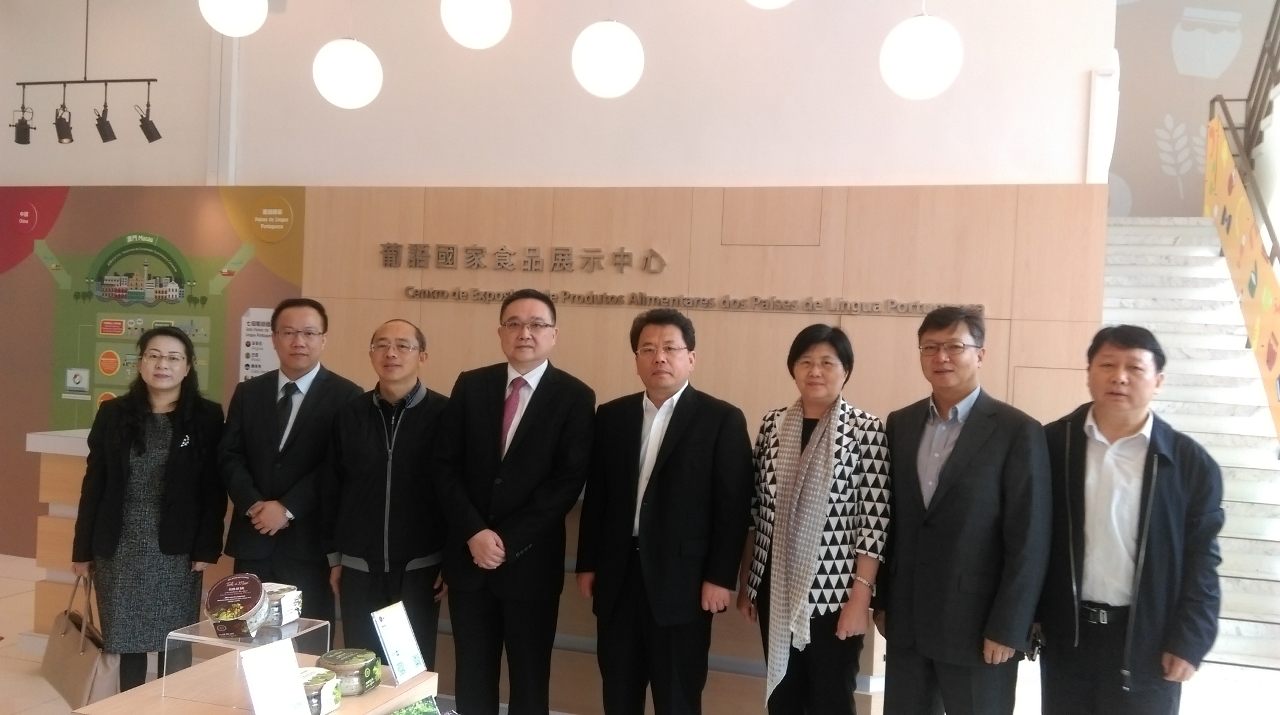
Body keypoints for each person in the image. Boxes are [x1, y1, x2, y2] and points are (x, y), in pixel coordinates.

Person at [1037, 326, 1224, 715]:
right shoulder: (1051, 446)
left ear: (1158, 381)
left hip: (1148, 639)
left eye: (1134, 368)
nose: (1119, 376)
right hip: (1068, 636)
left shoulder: (1189, 463)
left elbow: (1202, 560)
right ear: (1089, 372)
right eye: (1107, 364)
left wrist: (1189, 639)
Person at [874, 306, 1051, 715]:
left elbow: (1030, 539)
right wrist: (883, 601)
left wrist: (1009, 626)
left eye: (955, 346)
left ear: (980, 354)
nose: (941, 357)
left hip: (979, 631)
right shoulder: (899, 424)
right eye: (930, 347)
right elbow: (889, 522)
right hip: (908, 625)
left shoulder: (1016, 430)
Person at [576, 309, 753, 715]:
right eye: (648, 349)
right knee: (619, 692)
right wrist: (587, 563)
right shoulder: (612, 416)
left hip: (685, 584)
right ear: (636, 359)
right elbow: (599, 496)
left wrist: (720, 576)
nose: (659, 357)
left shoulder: (721, 419)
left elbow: (733, 506)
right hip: (619, 577)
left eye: (670, 348)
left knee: (677, 697)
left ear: (691, 358)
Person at [433, 288, 595, 715]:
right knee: (471, 674)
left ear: (554, 334)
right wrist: (474, 532)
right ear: (500, 332)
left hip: (531, 566)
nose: (525, 332)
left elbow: (566, 483)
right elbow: (444, 468)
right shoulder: (471, 385)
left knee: (529, 679)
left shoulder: (576, 396)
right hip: (469, 563)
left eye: (537, 324)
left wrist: (503, 539)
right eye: (515, 324)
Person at [735, 324, 891, 715]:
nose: (815, 371)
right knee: (784, 696)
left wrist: (861, 598)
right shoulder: (773, 425)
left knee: (831, 698)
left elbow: (873, 523)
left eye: (826, 362)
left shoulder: (866, 431)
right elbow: (756, 511)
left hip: (834, 594)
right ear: (793, 369)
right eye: (805, 362)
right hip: (775, 586)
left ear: (846, 370)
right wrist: (747, 582)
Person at [71, 326, 225, 691]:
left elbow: (213, 488)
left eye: (174, 358)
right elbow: (94, 484)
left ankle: (174, 703)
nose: (163, 365)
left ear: (187, 368)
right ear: (140, 363)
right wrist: (82, 550)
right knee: (125, 641)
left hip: (176, 548)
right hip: (118, 546)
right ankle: (130, 704)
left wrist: (205, 547)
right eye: (154, 356)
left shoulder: (205, 416)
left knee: (175, 637)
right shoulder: (113, 413)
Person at [219, 298, 363, 623]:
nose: (299, 341)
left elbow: (335, 466)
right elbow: (229, 454)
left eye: (309, 333)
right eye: (289, 332)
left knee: (305, 643)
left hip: (309, 546)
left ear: (323, 339)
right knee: (248, 639)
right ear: (274, 338)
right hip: (254, 539)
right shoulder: (249, 392)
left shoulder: (348, 396)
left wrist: (287, 507)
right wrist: (254, 504)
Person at [325, 319, 449, 667]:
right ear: (371, 354)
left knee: (410, 669)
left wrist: (451, 560)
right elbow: (331, 488)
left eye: (403, 345)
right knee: (361, 667)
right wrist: (335, 556)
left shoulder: (446, 414)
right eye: (381, 345)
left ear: (422, 356)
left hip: (419, 568)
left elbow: (456, 494)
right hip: (358, 567)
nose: (391, 353)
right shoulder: (349, 414)